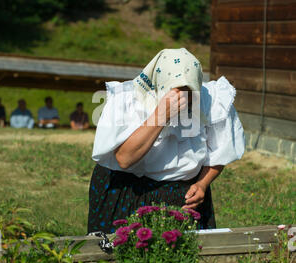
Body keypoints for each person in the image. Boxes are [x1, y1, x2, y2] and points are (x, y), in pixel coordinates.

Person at [88, 48, 245, 234]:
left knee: (181, 258)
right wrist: (160, 116)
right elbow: (124, 158)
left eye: (190, 92)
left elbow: (219, 152)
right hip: (128, 191)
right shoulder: (129, 101)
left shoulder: (212, 100)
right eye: (176, 91)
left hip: (181, 196)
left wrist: (202, 184)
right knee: (120, 256)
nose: (183, 99)